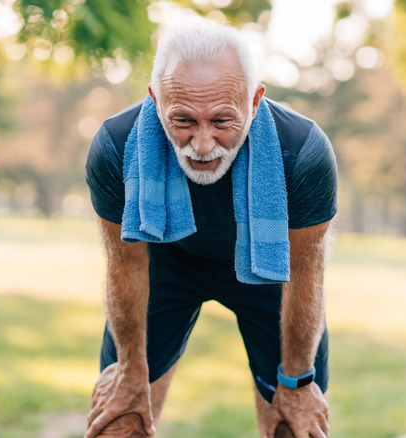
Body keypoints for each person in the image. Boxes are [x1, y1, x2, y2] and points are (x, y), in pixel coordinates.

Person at [84, 23, 338, 438]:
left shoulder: (304, 153)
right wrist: (130, 370)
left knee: (295, 423)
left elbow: (307, 273)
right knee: (121, 418)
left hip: (269, 265)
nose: (202, 145)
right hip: (164, 257)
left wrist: (296, 385)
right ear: (155, 98)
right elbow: (125, 266)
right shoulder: (116, 145)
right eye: (183, 120)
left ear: (255, 101)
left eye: (222, 120)